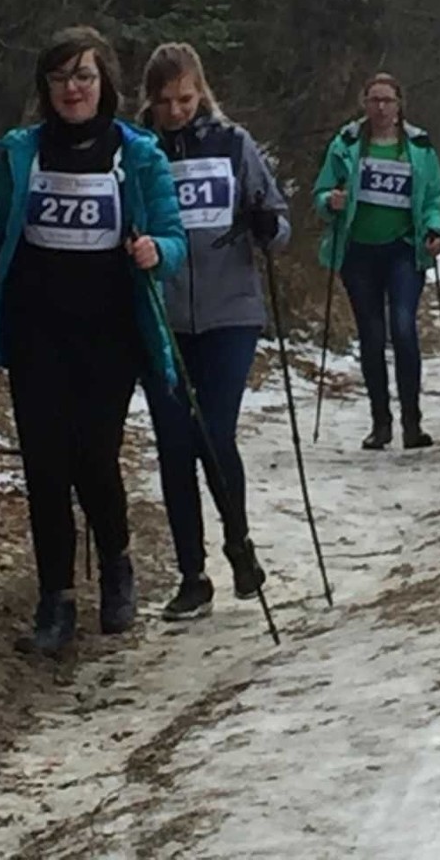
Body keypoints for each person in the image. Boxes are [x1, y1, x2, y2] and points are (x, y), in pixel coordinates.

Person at [0, 26, 187, 656]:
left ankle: (116, 560)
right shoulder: (20, 153)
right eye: (60, 78)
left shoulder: (137, 154)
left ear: (105, 83)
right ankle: (54, 600)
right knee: (44, 465)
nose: (73, 89)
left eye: (84, 76)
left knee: (93, 456)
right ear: (46, 88)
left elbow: (173, 238)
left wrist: (154, 251)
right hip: (38, 331)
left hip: (109, 333)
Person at [138, 42, 290, 622]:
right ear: (148, 100)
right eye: (165, 100)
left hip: (230, 312)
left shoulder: (233, 144)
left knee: (214, 433)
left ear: (201, 92)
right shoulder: (137, 150)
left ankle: (239, 542)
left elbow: (277, 223)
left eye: (186, 98)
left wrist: (266, 224)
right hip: (164, 317)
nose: (176, 110)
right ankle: (191, 575)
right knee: (175, 445)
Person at [312, 72, 440, 451]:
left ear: (400, 104)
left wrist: (434, 228)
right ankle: (380, 423)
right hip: (358, 251)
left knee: (403, 327)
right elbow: (322, 190)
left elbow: (435, 196)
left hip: (404, 248)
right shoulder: (347, 143)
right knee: (371, 336)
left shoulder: (419, 146)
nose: (381, 107)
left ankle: (412, 422)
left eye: (388, 100)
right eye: (374, 100)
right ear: (364, 103)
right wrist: (329, 202)